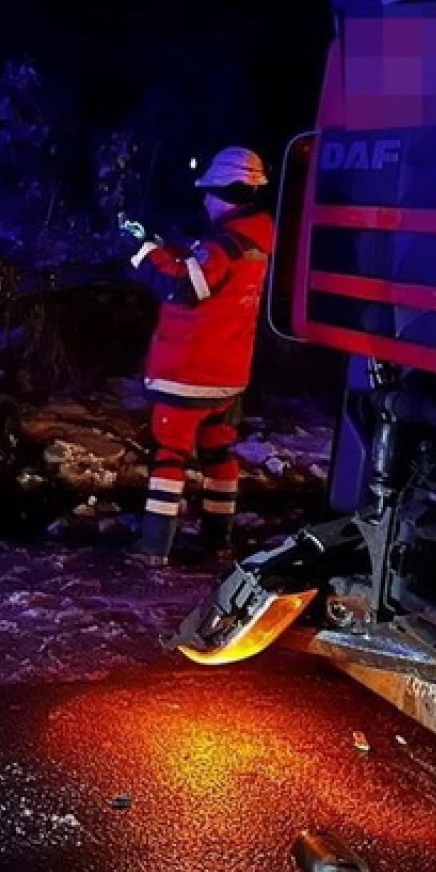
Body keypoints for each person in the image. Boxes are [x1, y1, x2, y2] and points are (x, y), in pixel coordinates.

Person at [125, 145, 276, 567]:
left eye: (209, 191)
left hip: (187, 372)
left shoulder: (225, 242)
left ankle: (154, 549)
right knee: (219, 457)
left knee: (169, 458)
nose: (205, 200)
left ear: (225, 190)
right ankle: (218, 541)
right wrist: (171, 248)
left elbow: (185, 287)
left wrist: (143, 250)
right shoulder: (257, 237)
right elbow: (203, 274)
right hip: (228, 375)